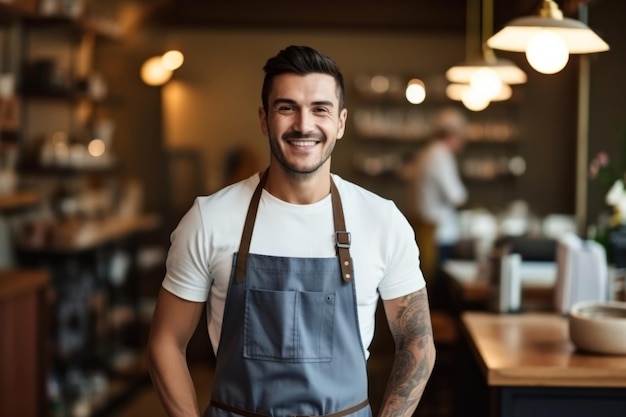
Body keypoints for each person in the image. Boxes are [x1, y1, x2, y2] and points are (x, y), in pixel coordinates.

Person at [147, 45, 436, 417]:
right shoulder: (210, 218)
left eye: (320, 109)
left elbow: (418, 340)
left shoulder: (382, 220)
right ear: (265, 120)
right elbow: (165, 343)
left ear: (341, 122)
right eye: (287, 108)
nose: (304, 124)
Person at [399, 107, 468, 302]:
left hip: (425, 227)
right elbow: (457, 195)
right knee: (438, 289)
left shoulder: (426, 153)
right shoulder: (440, 155)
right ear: (453, 135)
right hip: (437, 232)